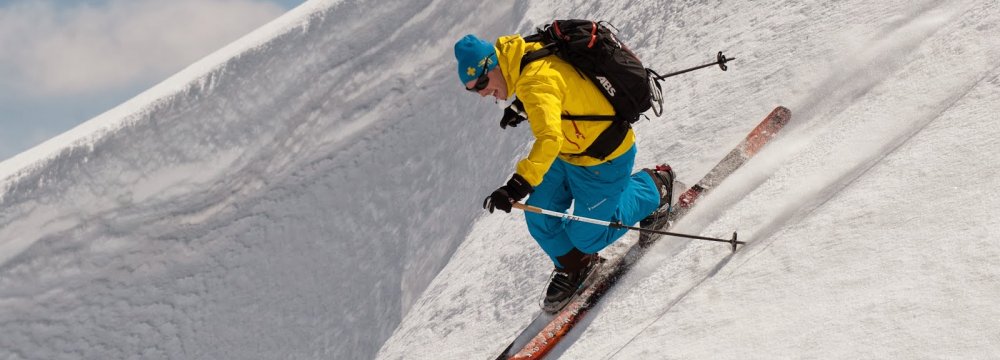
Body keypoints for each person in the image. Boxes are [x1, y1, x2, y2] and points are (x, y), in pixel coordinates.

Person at [454, 33, 678, 313]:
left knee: (587, 236)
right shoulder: (521, 57)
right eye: (474, 89)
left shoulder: (534, 82)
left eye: (483, 83)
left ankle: (655, 187)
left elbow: (549, 137)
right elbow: (561, 83)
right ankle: (578, 266)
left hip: (602, 157)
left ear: (493, 64)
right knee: (539, 211)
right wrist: (522, 106)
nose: (483, 92)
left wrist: (516, 185)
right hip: (569, 152)